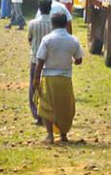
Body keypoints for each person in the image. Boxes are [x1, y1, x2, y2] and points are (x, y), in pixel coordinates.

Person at [34, 12, 82, 144]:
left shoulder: (47, 40)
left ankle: (50, 135)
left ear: (52, 24)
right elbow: (79, 60)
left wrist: (36, 79)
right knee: (65, 107)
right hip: (65, 78)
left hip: (49, 77)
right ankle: (63, 134)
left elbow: (40, 61)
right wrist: (69, 60)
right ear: (66, 24)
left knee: (46, 106)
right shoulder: (73, 40)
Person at [27, 0, 53, 124]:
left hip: (35, 59)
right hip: (50, 60)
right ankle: (48, 114)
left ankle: (37, 114)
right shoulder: (54, 25)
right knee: (48, 89)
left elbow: (30, 40)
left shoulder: (32, 24)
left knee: (34, 86)